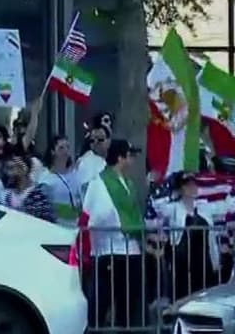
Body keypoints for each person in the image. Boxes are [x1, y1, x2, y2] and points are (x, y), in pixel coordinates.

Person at [81, 139, 151, 331]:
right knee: (101, 305)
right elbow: (96, 216)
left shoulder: (128, 183)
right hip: (108, 252)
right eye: (129, 156)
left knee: (128, 306)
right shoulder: (99, 182)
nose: (132, 161)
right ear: (120, 157)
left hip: (130, 252)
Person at [157, 172, 220, 301]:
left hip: (204, 261)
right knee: (182, 296)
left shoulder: (204, 206)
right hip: (183, 263)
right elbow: (157, 207)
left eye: (193, 184)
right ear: (180, 189)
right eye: (187, 185)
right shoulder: (173, 208)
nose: (192, 188)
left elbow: (226, 208)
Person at [35, 135, 80, 222]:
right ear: (52, 151)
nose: (66, 151)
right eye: (61, 148)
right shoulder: (45, 180)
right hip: (58, 227)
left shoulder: (75, 174)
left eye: (67, 147)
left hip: (77, 227)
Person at [2, 156, 54, 221]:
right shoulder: (7, 195)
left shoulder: (39, 198)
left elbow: (49, 224)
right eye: (7, 168)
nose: (8, 173)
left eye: (11, 168)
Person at [76, 124, 110, 196]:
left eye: (100, 139)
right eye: (92, 140)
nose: (95, 142)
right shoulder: (86, 162)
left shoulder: (110, 160)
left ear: (109, 141)